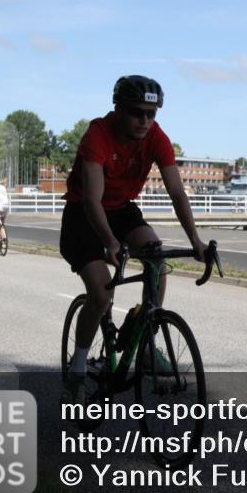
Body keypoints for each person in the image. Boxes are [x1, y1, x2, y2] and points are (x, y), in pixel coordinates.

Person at [59, 75, 206, 405]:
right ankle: (78, 368)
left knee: (157, 261)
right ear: (119, 109)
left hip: (122, 209)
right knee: (101, 292)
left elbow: (177, 192)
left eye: (152, 114)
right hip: (84, 213)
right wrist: (110, 243)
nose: (145, 121)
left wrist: (195, 239)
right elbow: (92, 200)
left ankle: (144, 332)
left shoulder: (155, 137)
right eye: (137, 112)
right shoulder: (98, 133)